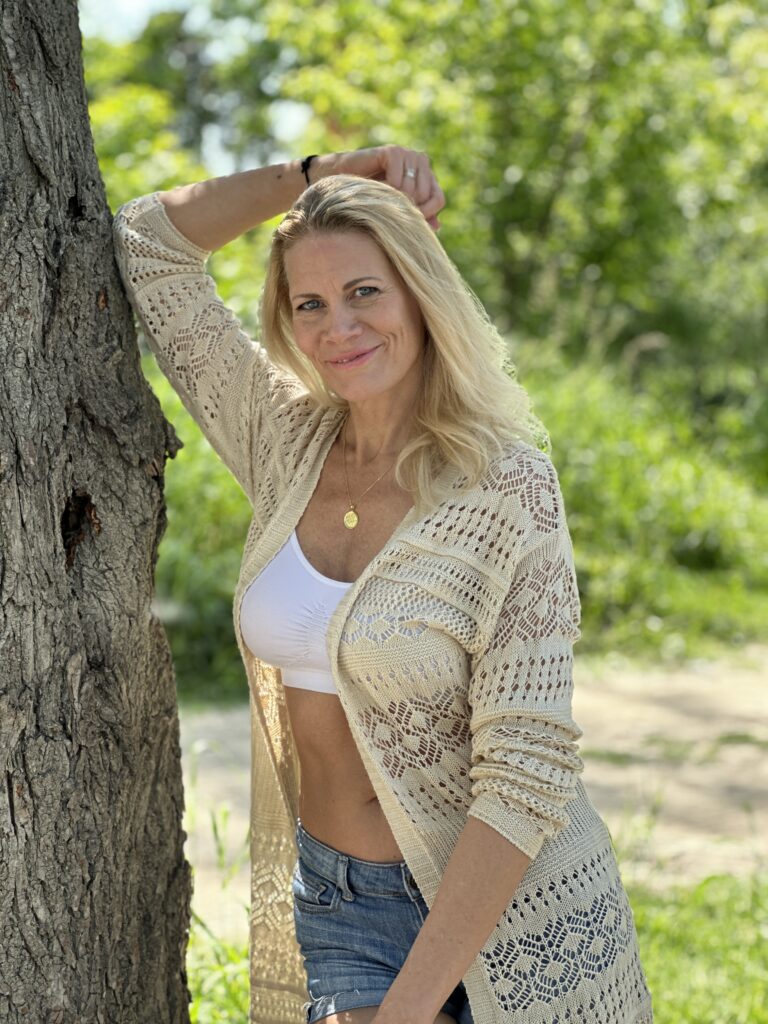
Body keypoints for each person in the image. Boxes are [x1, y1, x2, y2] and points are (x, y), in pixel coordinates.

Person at [112, 145, 653, 1024]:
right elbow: (151, 243)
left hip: (510, 915)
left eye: (365, 291)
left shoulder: (505, 489)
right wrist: (326, 172)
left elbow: (526, 772)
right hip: (342, 904)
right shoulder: (284, 440)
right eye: (309, 303)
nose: (337, 328)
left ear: (419, 293)